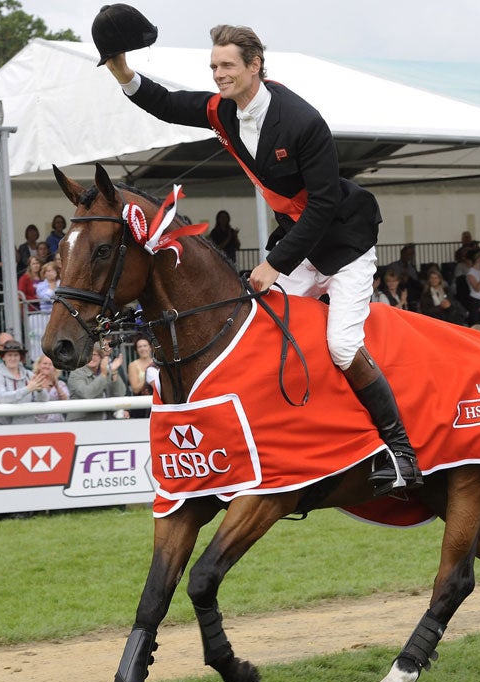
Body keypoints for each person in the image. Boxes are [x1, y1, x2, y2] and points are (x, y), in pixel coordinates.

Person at [103, 21, 421, 493]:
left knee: (341, 346)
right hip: (300, 242)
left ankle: (402, 454)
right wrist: (121, 70)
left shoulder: (302, 120)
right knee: (258, 330)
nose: (218, 74)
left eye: (227, 65)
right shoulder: (223, 110)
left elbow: (324, 204)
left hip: (346, 246)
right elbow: (170, 104)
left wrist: (276, 264)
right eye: (213, 66)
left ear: (255, 66)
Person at [0, 340, 48, 425]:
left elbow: (44, 399)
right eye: (9, 355)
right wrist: (28, 389)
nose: (13, 358)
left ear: (20, 357)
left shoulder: (29, 375)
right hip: (4, 430)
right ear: (3, 357)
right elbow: (1, 398)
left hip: (28, 428)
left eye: (16, 355)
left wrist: (40, 391)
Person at [67, 342, 128, 422]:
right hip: (81, 422)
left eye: (95, 354)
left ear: (101, 357)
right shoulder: (76, 373)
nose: (92, 357)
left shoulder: (106, 371)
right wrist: (103, 375)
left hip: (106, 422)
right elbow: (87, 393)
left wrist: (114, 372)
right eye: (88, 355)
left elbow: (120, 394)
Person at [32, 354, 70, 423]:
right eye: (45, 363)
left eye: (50, 364)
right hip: (37, 422)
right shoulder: (32, 381)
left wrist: (57, 386)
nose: (47, 366)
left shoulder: (61, 384)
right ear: (39, 365)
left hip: (57, 422)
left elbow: (67, 401)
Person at [463, 249, 480, 325]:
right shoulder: (471, 272)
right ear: (477, 259)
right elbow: (477, 288)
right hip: (475, 300)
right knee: (475, 322)